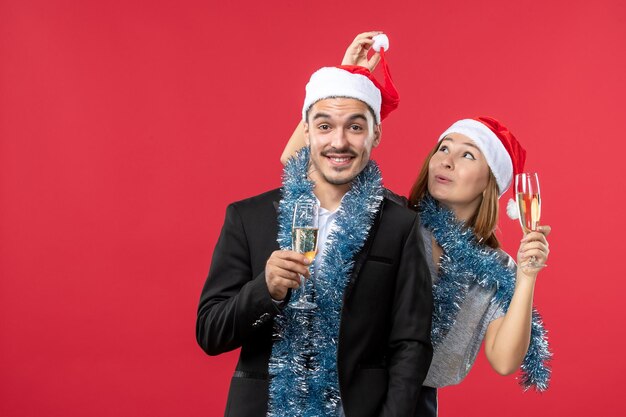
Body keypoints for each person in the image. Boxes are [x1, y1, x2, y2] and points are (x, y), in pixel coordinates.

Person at [281, 32, 552, 416]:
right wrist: (346, 82)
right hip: (346, 384)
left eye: (467, 154)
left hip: (417, 403)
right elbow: (298, 166)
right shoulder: (392, 216)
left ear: (491, 182)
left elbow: (505, 360)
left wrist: (526, 276)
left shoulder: (496, 271)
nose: (446, 160)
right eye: (443, 148)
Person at [196, 59, 433, 417]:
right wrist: (266, 289)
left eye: (355, 127)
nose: (339, 142)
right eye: (325, 126)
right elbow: (211, 333)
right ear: (307, 131)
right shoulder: (249, 217)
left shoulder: (400, 225)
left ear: (376, 134)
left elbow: (411, 344)